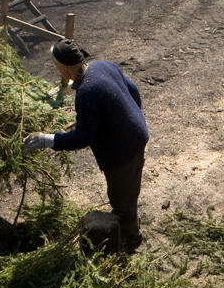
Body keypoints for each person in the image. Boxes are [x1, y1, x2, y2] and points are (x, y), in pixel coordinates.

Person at [24, 39, 149, 246]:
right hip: (137, 133)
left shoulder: (86, 92)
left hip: (121, 151)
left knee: (120, 198)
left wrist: (47, 140)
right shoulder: (103, 65)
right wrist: (123, 117)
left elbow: (82, 138)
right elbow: (133, 91)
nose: (57, 70)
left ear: (64, 66)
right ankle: (129, 219)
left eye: (56, 66)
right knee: (130, 185)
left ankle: (131, 238)